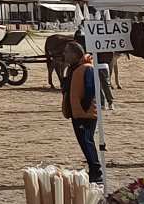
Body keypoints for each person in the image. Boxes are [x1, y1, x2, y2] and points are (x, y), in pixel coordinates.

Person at [61, 41, 103, 186]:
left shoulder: (87, 68)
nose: (64, 54)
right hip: (76, 113)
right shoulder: (72, 69)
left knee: (87, 142)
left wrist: (83, 106)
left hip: (86, 114)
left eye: (67, 52)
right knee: (84, 143)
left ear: (75, 53)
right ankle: (94, 170)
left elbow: (91, 89)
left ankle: (96, 172)